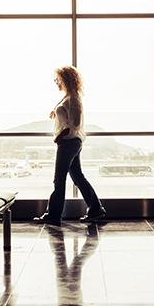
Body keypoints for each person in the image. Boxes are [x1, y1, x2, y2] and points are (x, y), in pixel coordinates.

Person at [33, 66, 107, 226]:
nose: (56, 82)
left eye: (57, 79)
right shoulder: (68, 97)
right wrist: (56, 113)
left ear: (65, 79)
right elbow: (66, 115)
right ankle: (95, 209)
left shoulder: (73, 98)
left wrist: (61, 135)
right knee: (77, 177)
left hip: (69, 143)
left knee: (59, 179)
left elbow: (75, 123)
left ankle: (53, 215)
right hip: (71, 142)